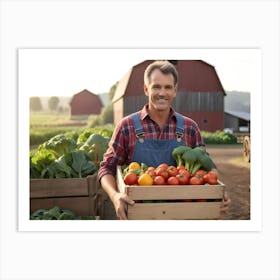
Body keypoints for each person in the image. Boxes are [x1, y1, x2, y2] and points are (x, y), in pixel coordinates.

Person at [98, 60, 230, 220]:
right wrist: (114, 196)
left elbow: (207, 165)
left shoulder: (190, 127)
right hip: (139, 215)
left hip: (184, 216)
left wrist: (218, 192)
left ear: (175, 91)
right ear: (146, 89)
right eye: (156, 86)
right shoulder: (127, 126)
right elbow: (107, 168)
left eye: (168, 87)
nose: (162, 93)